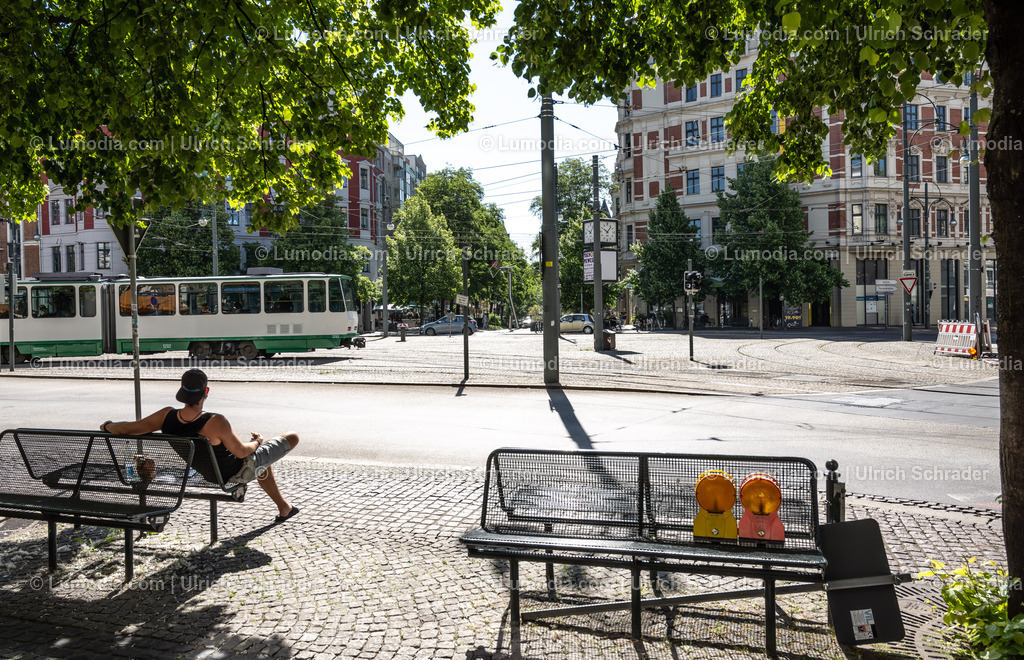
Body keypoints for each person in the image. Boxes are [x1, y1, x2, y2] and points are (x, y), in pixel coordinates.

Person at [100, 369, 300, 523]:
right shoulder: (215, 421)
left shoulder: (166, 416)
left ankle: (284, 507)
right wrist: (258, 441)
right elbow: (241, 451)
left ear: (182, 392)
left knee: (264, 461)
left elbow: (131, 428)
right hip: (234, 472)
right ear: (206, 392)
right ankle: (280, 506)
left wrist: (107, 426)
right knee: (291, 437)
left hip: (209, 474)